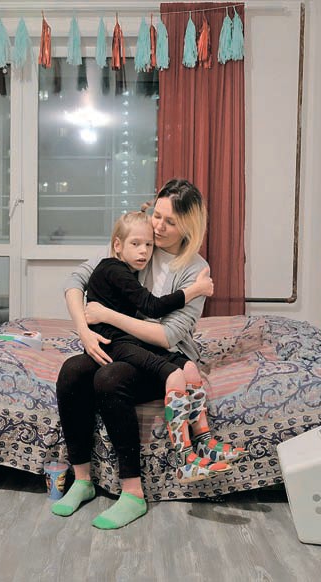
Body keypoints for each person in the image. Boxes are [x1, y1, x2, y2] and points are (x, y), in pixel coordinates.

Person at [52, 178, 244, 530]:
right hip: (123, 343)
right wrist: (83, 330)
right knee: (71, 371)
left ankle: (133, 493)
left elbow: (167, 334)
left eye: (170, 222)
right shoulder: (139, 240)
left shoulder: (195, 269)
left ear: (188, 228)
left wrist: (108, 315)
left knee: (110, 379)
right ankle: (82, 480)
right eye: (157, 215)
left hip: (164, 352)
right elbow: (75, 281)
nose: (158, 227)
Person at [83, 210, 230, 485]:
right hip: (114, 342)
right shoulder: (115, 270)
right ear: (118, 245)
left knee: (189, 368)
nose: (144, 251)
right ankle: (184, 460)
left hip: (127, 337)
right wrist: (195, 290)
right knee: (173, 374)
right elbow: (152, 306)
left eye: (148, 245)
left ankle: (205, 442)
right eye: (136, 244)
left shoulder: (127, 267)